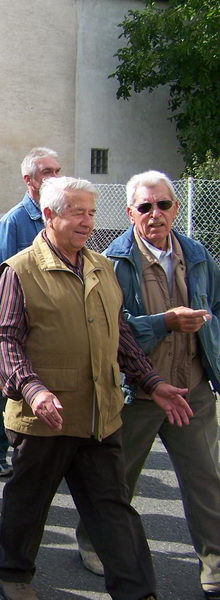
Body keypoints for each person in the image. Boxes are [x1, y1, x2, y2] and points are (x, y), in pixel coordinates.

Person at [0, 175, 192, 600]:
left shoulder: (101, 266)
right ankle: (14, 575)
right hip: (43, 418)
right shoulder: (21, 269)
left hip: (101, 414)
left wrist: (152, 383)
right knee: (29, 503)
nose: (88, 221)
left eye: (92, 212)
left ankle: (138, 592)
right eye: (77, 212)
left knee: (112, 508)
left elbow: (120, 336)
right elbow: (4, 338)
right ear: (49, 215)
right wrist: (32, 389)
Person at [73, 170, 220, 596]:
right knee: (118, 479)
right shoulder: (113, 261)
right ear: (131, 212)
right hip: (136, 392)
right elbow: (108, 329)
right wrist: (164, 323)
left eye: (164, 205)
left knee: (205, 479)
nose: (155, 214)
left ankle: (214, 564)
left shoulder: (196, 254)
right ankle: (93, 542)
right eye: (145, 206)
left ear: (175, 208)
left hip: (191, 387)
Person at [0, 147, 62, 478]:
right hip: (19, 322)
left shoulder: (61, 216)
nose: (55, 176)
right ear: (28, 180)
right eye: (47, 172)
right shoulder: (14, 221)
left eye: (58, 170)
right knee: (7, 389)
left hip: (50, 324)